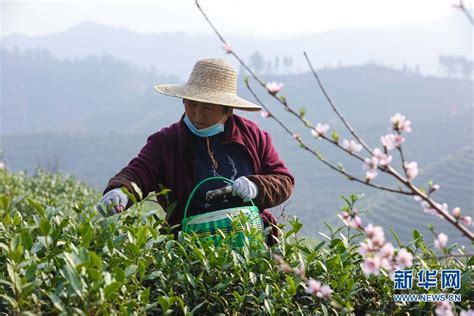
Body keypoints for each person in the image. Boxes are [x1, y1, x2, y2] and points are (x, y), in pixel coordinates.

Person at [97, 58, 294, 245]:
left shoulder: (252, 135)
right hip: (189, 242)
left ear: (228, 110)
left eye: (208, 107)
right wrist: (121, 191)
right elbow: (139, 172)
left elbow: (283, 180)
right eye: (192, 104)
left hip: (251, 237)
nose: (198, 114)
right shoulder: (166, 142)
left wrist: (257, 186)